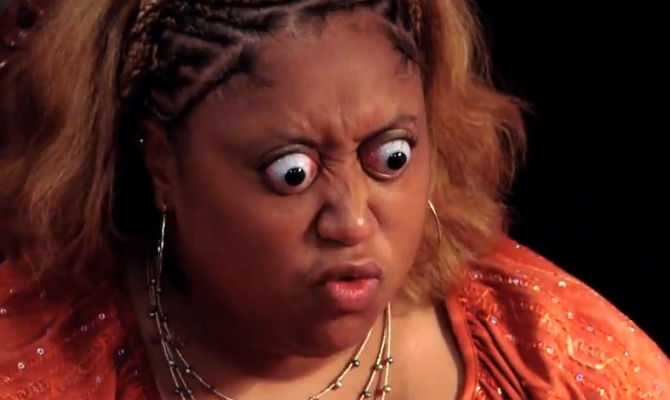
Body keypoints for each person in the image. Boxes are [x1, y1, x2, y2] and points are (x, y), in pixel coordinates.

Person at [0, 0, 667, 398]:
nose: (351, 219)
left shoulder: (557, 360)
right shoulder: (32, 365)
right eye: (291, 173)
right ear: (163, 165)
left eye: (392, 159)